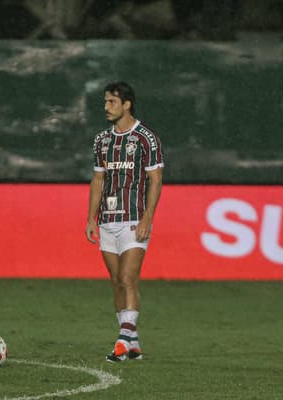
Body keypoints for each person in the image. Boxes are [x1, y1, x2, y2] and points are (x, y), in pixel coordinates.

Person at [85, 81, 164, 362]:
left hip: (134, 219)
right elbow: (98, 180)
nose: (106, 107)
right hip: (107, 220)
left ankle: (122, 340)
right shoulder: (101, 140)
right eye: (105, 102)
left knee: (129, 278)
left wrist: (148, 217)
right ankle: (133, 342)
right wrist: (91, 219)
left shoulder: (145, 138)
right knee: (117, 281)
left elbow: (155, 179)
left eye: (111, 102)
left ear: (127, 104)